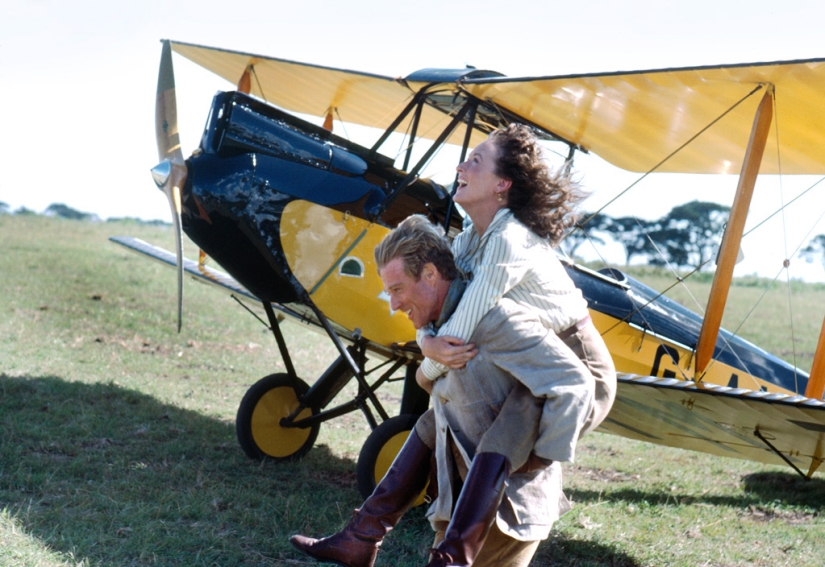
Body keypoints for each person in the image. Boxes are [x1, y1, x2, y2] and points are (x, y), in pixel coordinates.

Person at [290, 124, 617, 567]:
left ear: (503, 184)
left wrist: (428, 366)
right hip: (526, 352)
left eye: (476, 161)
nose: (461, 165)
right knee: (436, 415)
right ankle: (362, 535)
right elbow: (440, 301)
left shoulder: (509, 239)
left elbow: (468, 319)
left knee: (505, 429)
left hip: (576, 361)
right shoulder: (469, 238)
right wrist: (426, 342)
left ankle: (451, 558)